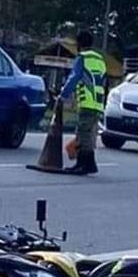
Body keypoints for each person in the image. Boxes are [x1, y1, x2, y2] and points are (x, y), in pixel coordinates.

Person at [57, 30, 107, 175]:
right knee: (88, 134)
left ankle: (84, 164)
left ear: (79, 44)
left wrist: (63, 95)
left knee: (83, 133)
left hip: (87, 102)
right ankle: (87, 164)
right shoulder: (99, 59)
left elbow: (73, 78)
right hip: (98, 103)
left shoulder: (82, 58)